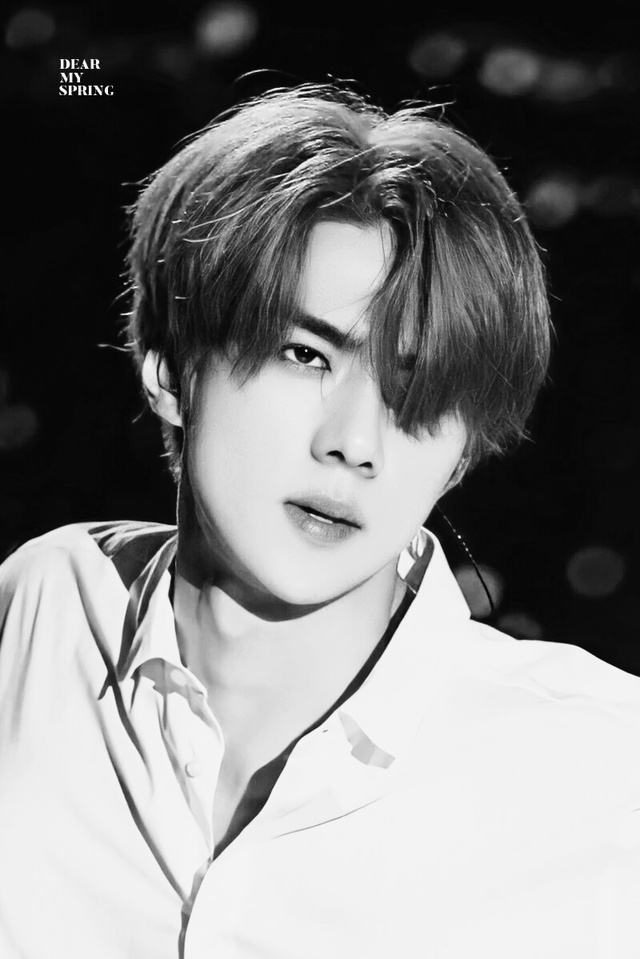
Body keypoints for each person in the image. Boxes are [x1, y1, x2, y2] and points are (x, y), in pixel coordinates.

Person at [1, 83, 639, 959]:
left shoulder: (604, 777)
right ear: (169, 366)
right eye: (306, 355)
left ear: (460, 457)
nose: (355, 443)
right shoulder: (40, 616)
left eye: (417, 392)